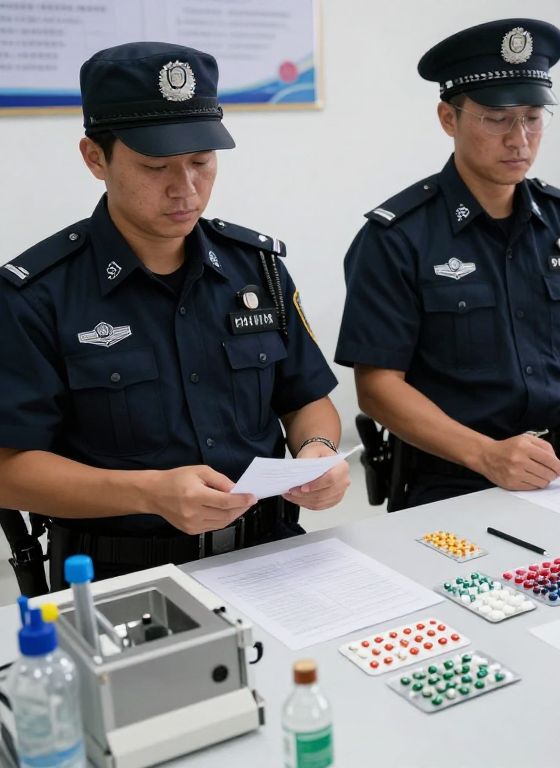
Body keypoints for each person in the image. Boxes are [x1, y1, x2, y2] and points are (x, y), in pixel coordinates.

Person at [0, 42, 350, 589]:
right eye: (156, 166)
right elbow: (8, 470)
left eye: (201, 162)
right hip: (122, 573)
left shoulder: (256, 271)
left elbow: (306, 398)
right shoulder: (38, 295)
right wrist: (149, 493)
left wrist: (318, 453)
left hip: (270, 555)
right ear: (96, 158)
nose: (185, 190)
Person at [335, 19, 560, 510]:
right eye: (497, 118)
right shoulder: (397, 237)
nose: (519, 139)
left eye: (533, 117)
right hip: (454, 477)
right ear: (448, 118)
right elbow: (377, 388)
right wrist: (487, 454)